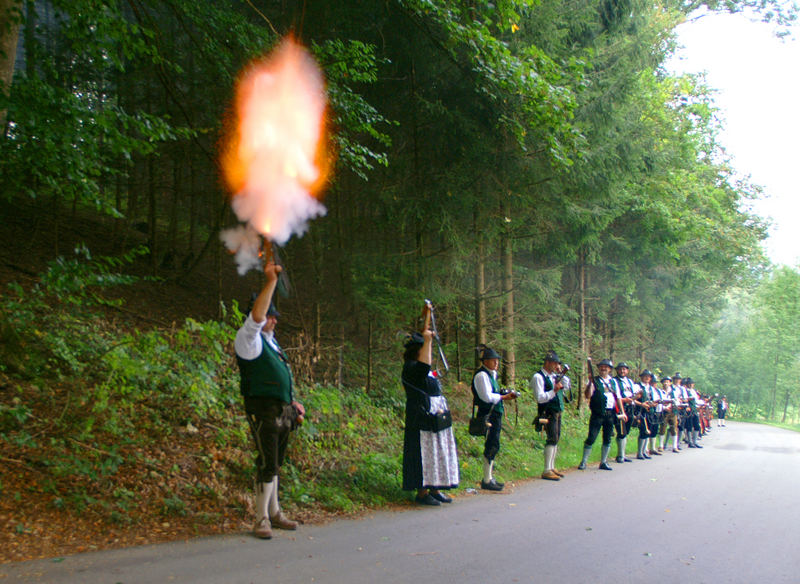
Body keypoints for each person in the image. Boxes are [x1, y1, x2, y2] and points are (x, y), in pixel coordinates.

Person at [234, 261, 305, 540]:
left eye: (273, 316)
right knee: (267, 463)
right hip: (262, 409)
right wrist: (271, 281)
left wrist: (293, 403)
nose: (274, 320)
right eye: (270, 315)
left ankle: (275, 513)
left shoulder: (272, 342)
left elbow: (281, 378)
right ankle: (261, 517)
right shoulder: (248, 339)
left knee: (277, 462)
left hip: (281, 410)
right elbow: (256, 320)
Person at [401, 320, 459, 506]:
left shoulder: (424, 370)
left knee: (436, 452)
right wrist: (427, 340)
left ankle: (435, 488)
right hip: (421, 417)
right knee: (423, 453)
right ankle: (422, 491)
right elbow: (423, 367)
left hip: (435, 417)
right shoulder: (411, 368)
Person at [471, 346, 517, 491]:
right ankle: (486, 479)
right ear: (485, 361)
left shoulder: (492, 375)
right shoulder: (481, 376)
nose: (496, 363)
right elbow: (486, 397)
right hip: (488, 414)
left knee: (494, 444)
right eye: (493, 360)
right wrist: (504, 397)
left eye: (497, 361)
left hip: (494, 414)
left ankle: (489, 477)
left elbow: (492, 394)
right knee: (491, 445)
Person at [579, 359, 625, 471]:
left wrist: (622, 412)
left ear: (609, 369)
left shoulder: (614, 382)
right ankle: (584, 462)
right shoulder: (593, 380)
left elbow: (618, 398)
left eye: (606, 367)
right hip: (597, 414)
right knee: (591, 437)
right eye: (602, 367)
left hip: (610, 414)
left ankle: (603, 462)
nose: (603, 369)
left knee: (607, 438)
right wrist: (590, 383)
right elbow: (587, 395)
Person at [531, 351, 566, 481]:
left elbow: (567, 386)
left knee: (556, 437)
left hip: (556, 411)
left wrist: (561, 374)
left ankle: (551, 467)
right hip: (547, 411)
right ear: (547, 363)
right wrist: (554, 391)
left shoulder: (554, 376)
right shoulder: (538, 377)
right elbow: (540, 398)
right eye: (554, 363)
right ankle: (546, 469)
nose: (556, 366)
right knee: (551, 438)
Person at [614, 362, 636, 464]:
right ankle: (620, 455)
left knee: (626, 432)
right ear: (617, 370)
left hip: (630, 408)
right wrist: (624, 400)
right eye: (620, 369)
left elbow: (634, 394)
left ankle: (623, 454)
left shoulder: (630, 382)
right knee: (621, 431)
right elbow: (615, 397)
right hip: (620, 408)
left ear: (627, 370)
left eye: (624, 369)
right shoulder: (614, 381)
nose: (622, 371)